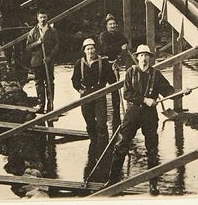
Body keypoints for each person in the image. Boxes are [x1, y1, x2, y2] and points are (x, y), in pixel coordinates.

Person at [106, 44, 190, 195]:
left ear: (150, 59)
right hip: (133, 113)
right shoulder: (131, 72)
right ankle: (112, 181)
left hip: (150, 115)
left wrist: (181, 92)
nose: (144, 59)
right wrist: (145, 99)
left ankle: (153, 183)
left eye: (147, 56)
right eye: (141, 55)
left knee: (152, 148)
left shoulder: (156, 74)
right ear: (137, 57)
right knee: (122, 145)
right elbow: (127, 94)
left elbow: (168, 91)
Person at [71, 38, 117, 150]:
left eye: (92, 48)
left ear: (95, 49)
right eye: (88, 49)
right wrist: (81, 91)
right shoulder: (79, 63)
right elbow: (75, 81)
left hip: (99, 96)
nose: (90, 51)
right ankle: (93, 147)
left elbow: (112, 81)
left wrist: (115, 72)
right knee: (90, 124)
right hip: (85, 97)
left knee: (101, 124)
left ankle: (105, 149)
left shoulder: (103, 62)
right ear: (84, 51)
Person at [98, 14, 130, 126]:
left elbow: (126, 41)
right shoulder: (103, 35)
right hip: (104, 65)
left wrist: (123, 46)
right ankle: (101, 114)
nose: (112, 26)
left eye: (113, 24)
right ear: (106, 26)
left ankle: (117, 117)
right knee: (101, 88)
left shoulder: (118, 34)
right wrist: (120, 47)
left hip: (114, 65)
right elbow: (106, 49)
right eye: (110, 24)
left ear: (116, 25)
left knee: (115, 90)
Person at [25, 10, 59, 112]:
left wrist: (50, 56)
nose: (43, 19)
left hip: (48, 61)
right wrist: (38, 42)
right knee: (38, 83)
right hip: (37, 62)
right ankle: (41, 104)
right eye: (41, 17)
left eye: (44, 17)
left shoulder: (52, 31)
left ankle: (50, 105)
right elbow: (28, 47)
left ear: (47, 18)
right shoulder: (33, 32)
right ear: (37, 18)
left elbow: (57, 45)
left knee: (49, 83)